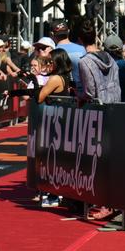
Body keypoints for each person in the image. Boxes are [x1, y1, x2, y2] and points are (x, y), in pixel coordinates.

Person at [35, 48, 73, 209]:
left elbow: (39, 97)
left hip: (56, 123)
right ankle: (58, 194)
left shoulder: (55, 78)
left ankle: (54, 195)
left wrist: (36, 81)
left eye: (50, 61)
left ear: (57, 62)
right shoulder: (66, 77)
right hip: (62, 122)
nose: (48, 64)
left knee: (53, 161)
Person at [76, 23, 120, 105]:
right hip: (116, 104)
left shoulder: (84, 62)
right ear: (95, 37)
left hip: (99, 109)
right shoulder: (109, 56)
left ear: (80, 40)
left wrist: (79, 95)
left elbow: (90, 93)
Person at [50, 19, 86, 89]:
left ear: (51, 34)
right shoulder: (82, 49)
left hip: (63, 92)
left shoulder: (52, 53)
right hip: (82, 91)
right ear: (68, 31)